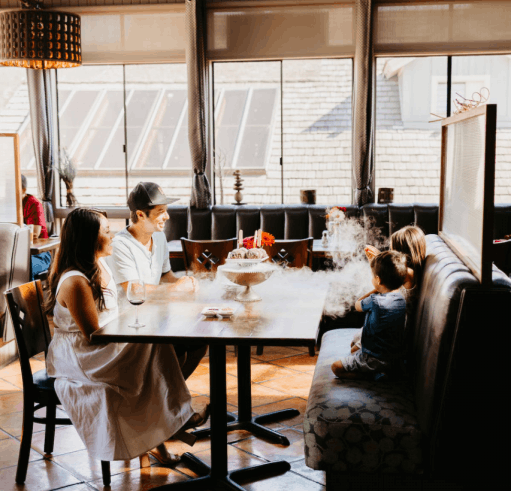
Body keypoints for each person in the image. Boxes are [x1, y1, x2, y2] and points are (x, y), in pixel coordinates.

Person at [46, 208, 209, 466]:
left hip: (101, 346)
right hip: (83, 357)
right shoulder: (75, 282)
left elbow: (115, 313)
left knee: (156, 345)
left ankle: (171, 423)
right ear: (89, 239)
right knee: (154, 347)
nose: (112, 237)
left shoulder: (99, 265)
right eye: (107, 232)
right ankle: (177, 418)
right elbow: (93, 335)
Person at [107, 182, 206, 380]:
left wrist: (187, 283)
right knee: (176, 348)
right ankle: (165, 398)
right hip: (130, 324)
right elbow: (133, 291)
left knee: (198, 343)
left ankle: (168, 396)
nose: (167, 217)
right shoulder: (120, 245)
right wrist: (178, 289)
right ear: (141, 215)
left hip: (156, 317)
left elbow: (165, 277)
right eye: (161, 211)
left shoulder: (159, 238)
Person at [331, 250, 407, 379]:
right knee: (353, 348)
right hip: (393, 358)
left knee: (335, 367)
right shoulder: (402, 299)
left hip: (374, 358)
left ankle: (375, 375)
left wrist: (376, 289)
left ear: (378, 280)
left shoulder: (374, 301)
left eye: (373, 276)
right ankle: (380, 371)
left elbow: (357, 304)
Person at [352, 225, 427, 352]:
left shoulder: (409, 274)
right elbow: (386, 282)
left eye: (392, 250)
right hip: (390, 322)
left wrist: (378, 260)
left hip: (395, 331)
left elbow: (390, 275)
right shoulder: (408, 273)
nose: (390, 252)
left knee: (354, 350)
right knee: (355, 344)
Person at [21, 175, 51, 280]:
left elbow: (34, 235)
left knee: (25, 268)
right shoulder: (8, 205)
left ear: (23, 190)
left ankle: (30, 296)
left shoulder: (33, 203)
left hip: (40, 255)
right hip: (18, 254)